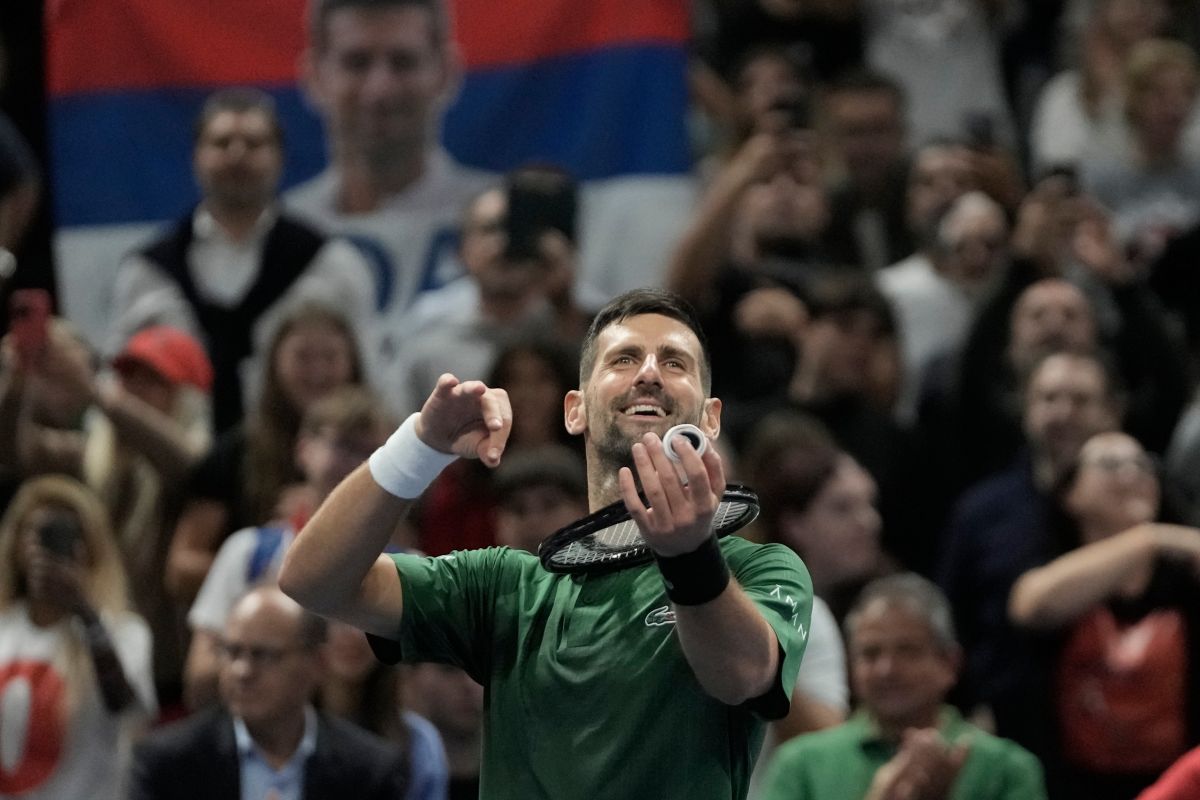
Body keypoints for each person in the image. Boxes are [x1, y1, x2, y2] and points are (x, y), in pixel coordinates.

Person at [279, 287, 812, 799]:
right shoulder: (502, 585)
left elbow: (742, 675)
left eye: (674, 363)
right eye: (624, 359)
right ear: (574, 410)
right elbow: (313, 581)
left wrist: (690, 557)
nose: (649, 373)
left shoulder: (759, 569)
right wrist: (420, 446)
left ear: (711, 418)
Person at [110, 87, 374, 433]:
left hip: (299, 456)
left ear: (279, 158)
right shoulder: (146, 273)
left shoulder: (332, 264)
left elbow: (366, 383)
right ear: (196, 157)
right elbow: (118, 384)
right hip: (173, 458)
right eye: (221, 143)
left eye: (254, 144)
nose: (237, 155)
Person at [287, 0, 493, 366]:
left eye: (403, 62)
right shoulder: (284, 233)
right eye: (357, 62)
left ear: (447, 71)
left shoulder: (497, 219)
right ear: (315, 75)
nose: (380, 89)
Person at [1009, 431, 1200, 798]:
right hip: (1072, 787)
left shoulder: (1184, 584)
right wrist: (1149, 539)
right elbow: (1031, 606)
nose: (1132, 475)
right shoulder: (1051, 566)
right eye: (1111, 465)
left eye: (1143, 465)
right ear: (1071, 493)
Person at [183, 385, 393, 709]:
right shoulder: (249, 553)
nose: (360, 465)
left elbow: (412, 703)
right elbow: (199, 684)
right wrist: (273, 635)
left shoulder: (404, 567)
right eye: (344, 446)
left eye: (375, 454)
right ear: (304, 449)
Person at [759, 573, 1047, 800]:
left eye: (908, 651)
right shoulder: (801, 765)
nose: (887, 670)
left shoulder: (1006, 770)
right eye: (870, 654)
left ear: (950, 664)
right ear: (852, 668)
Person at [167, 302, 365, 604]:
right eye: (303, 357)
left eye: (330, 357)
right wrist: (263, 555)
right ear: (276, 362)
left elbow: (412, 549)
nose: (317, 371)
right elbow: (181, 569)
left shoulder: (385, 448)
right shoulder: (235, 454)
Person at [130, 586, 408, 800]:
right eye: (232, 651)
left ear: (317, 664)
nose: (242, 671)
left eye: (263, 655)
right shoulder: (167, 763)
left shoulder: (370, 771)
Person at [0, 475, 156, 799]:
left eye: (64, 534)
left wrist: (85, 613)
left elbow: (123, 705)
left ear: (89, 548)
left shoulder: (124, 632)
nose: (42, 547)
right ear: (15, 543)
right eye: (36, 533)